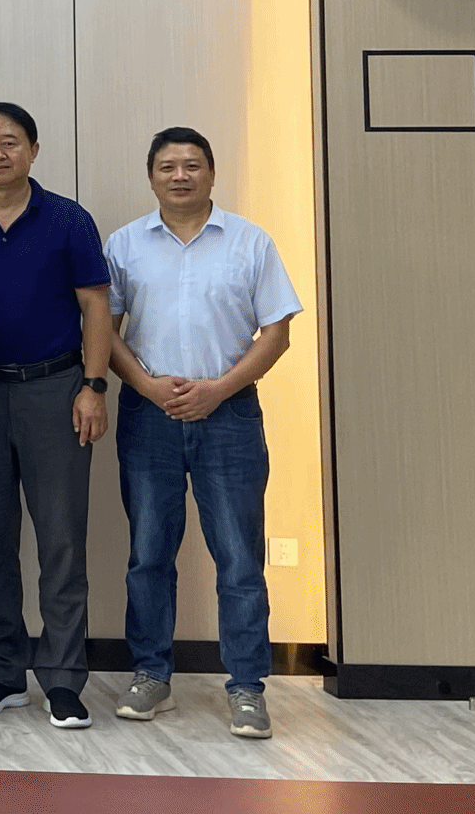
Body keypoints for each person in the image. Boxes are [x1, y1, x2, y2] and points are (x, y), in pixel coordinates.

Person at [106, 128, 301, 742]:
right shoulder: (124, 244)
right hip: (150, 415)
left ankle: (247, 686)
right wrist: (147, 386)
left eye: (192, 165)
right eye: (167, 166)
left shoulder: (250, 241)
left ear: (212, 173)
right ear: (151, 176)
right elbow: (103, 331)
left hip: (230, 415)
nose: (180, 176)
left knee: (239, 557)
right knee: (149, 554)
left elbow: (277, 333)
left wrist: (217, 389)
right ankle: (150, 675)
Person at [0, 101, 111, 730]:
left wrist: (93, 386)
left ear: (33, 148)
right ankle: (3, 674)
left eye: (10, 141)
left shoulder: (68, 218)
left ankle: (62, 679)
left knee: (61, 539)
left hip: (56, 389)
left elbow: (95, 307)